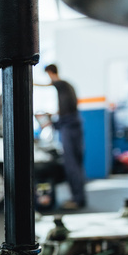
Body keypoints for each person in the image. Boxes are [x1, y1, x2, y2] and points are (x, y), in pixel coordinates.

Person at [43, 64, 87, 210]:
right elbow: (65, 109)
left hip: (69, 127)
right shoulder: (67, 86)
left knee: (71, 165)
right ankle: (80, 198)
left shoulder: (61, 84)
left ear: (50, 73)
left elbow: (51, 83)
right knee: (77, 164)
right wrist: (54, 120)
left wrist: (30, 82)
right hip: (73, 125)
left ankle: (77, 199)